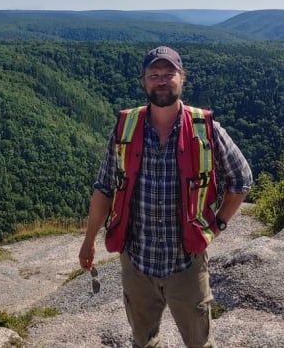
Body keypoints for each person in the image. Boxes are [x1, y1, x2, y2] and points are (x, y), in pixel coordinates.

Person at [78, 45, 253, 347]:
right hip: (137, 262)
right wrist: (89, 239)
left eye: (169, 73)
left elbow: (241, 180)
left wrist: (217, 226)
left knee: (199, 343)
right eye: (154, 74)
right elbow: (105, 187)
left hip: (186, 262)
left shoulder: (205, 128)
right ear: (144, 81)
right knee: (143, 341)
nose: (161, 80)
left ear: (182, 78)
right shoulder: (125, 128)